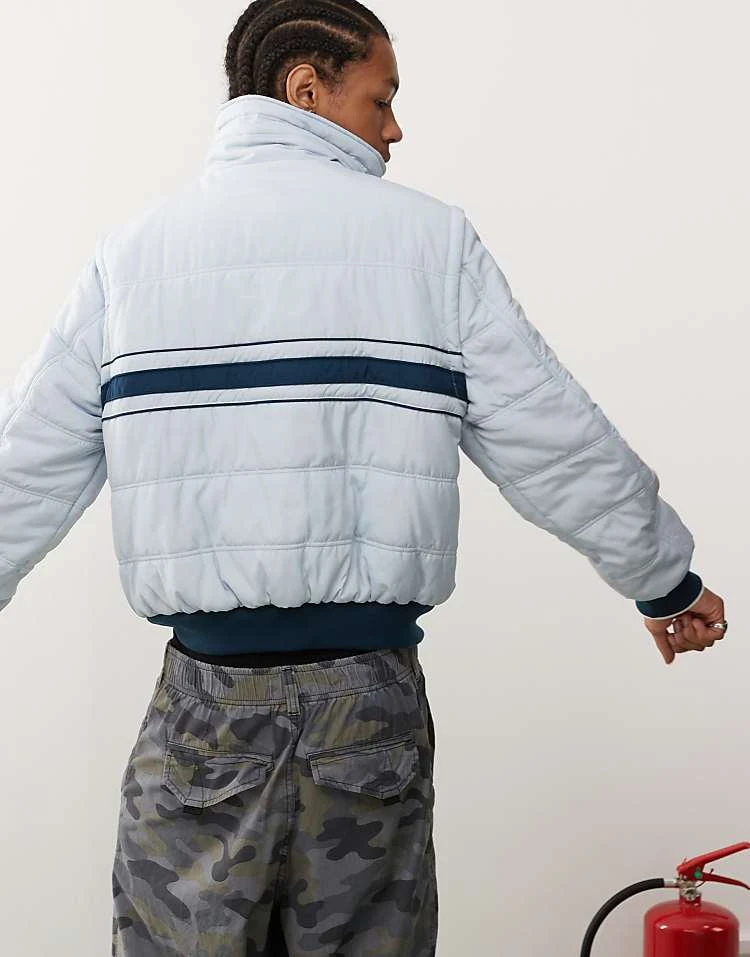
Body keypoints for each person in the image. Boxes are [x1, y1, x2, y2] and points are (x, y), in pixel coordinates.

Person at [0, 2, 727, 955]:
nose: (395, 128)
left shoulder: (133, 260)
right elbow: (553, 434)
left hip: (204, 709)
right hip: (367, 704)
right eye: (381, 99)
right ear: (306, 88)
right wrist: (663, 578)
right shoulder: (430, 245)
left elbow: (26, 465)